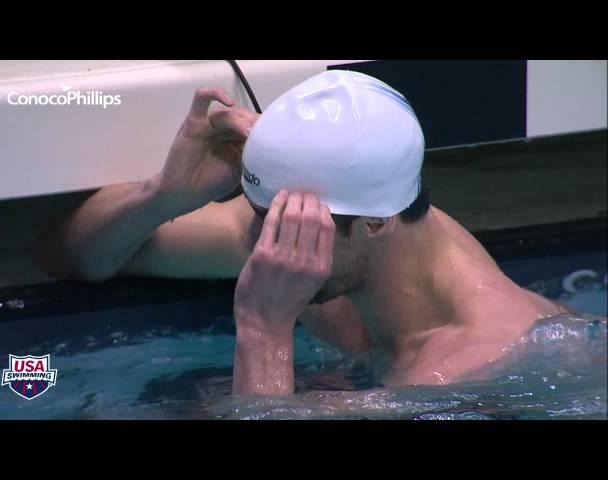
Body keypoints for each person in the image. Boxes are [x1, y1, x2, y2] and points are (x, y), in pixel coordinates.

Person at [32, 70, 572, 397]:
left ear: (375, 223)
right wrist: (164, 197)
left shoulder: (463, 368)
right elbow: (71, 256)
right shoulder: (328, 235)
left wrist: (265, 331)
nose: (268, 243)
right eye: (265, 213)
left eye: (292, 222)